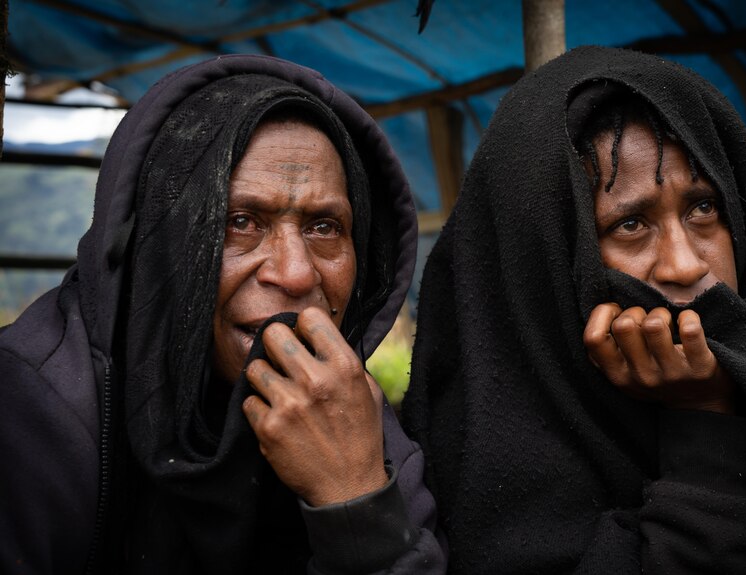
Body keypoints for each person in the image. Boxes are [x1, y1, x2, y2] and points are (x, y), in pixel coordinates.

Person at [402, 45, 746, 574]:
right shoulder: (490, 462)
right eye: (630, 224)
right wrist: (705, 420)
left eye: (703, 208)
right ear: (546, 265)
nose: (686, 265)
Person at [0, 55, 446, 574]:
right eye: (240, 221)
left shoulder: (351, 413)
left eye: (324, 227)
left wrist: (355, 498)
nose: (297, 274)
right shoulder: (33, 413)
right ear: (160, 242)